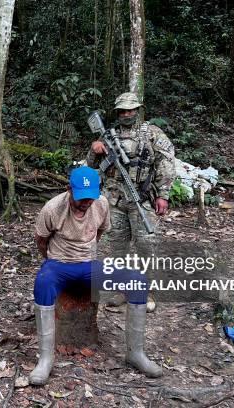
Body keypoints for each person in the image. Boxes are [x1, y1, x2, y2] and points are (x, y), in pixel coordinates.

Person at [29, 166, 162, 385]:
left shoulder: (100, 204)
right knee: (43, 282)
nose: (86, 203)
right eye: (81, 198)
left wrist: (87, 255)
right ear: (69, 190)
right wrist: (53, 260)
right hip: (59, 265)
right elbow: (41, 240)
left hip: (89, 266)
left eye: (90, 198)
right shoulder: (52, 208)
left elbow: (100, 231)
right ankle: (46, 358)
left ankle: (135, 353)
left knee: (137, 281)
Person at [87, 92, 176, 310]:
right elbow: (90, 166)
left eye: (131, 110)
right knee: (118, 248)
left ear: (137, 110)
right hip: (114, 201)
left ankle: (148, 292)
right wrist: (94, 149)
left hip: (141, 199)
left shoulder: (152, 133)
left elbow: (167, 163)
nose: (127, 114)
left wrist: (163, 194)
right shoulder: (108, 135)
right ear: (117, 112)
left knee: (147, 246)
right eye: (123, 111)